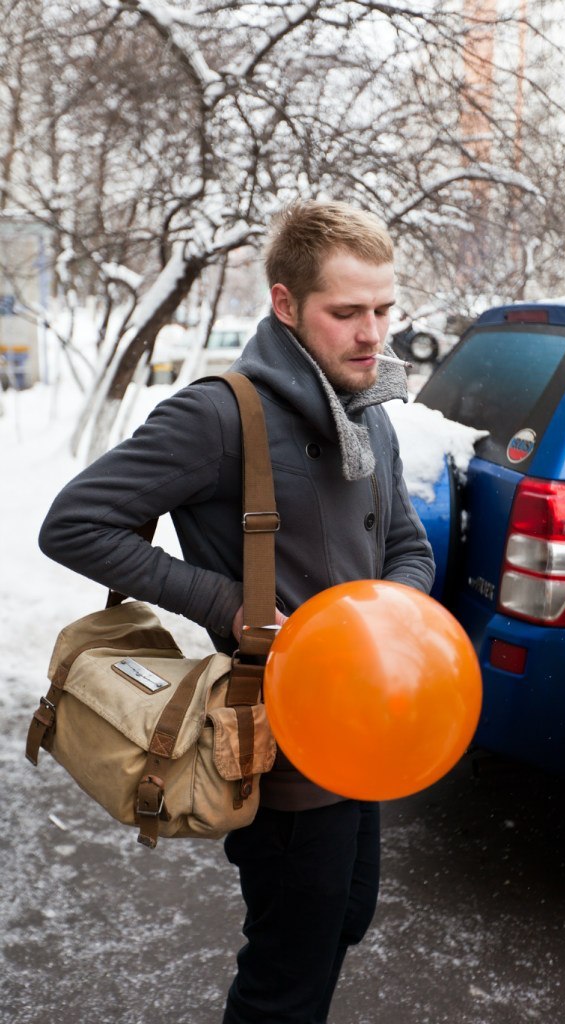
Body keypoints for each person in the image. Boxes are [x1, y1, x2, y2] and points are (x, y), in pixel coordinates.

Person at [39, 199, 435, 1023]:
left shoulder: (370, 404)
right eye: (348, 312)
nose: (373, 333)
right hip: (281, 740)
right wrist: (229, 604)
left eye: (384, 310)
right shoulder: (221, 414)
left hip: (367, 730)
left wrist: (395, 622)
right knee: (286, 975)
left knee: (344, 920)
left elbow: (407, 545)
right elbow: (74, 524)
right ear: (286, 306)